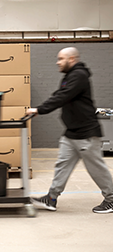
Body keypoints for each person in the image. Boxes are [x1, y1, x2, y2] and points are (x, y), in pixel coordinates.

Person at [26, 47, 113, 214]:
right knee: (62, 165)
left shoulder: (79, 76)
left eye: (61, 59)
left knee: (96, 168)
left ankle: (111, 199)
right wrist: (41, 108)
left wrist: (39, 110)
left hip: (86, 132)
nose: (58, 62)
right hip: (72, 132)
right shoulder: (70, 76)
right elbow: (59, 94)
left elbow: (63, 96)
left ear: (71, 59)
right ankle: (51, 198)